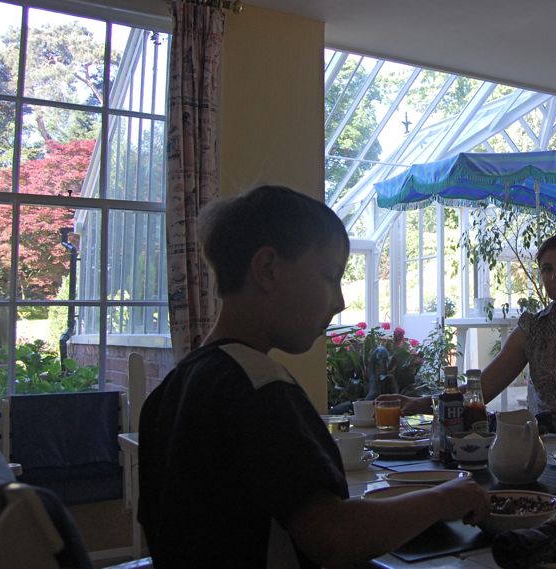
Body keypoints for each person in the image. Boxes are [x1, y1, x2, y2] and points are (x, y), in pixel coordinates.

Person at [138, 185, 488, 569]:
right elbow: (333, 536)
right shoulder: (260, 387)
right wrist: (445, 498)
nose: (339, 302)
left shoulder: (171, 389)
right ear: (268, 269)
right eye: (329, 276)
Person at [388, 231, 556, 431]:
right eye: (547, 269)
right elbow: (483, 390)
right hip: (541, 452)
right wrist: (420, 404)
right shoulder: (532, 330)